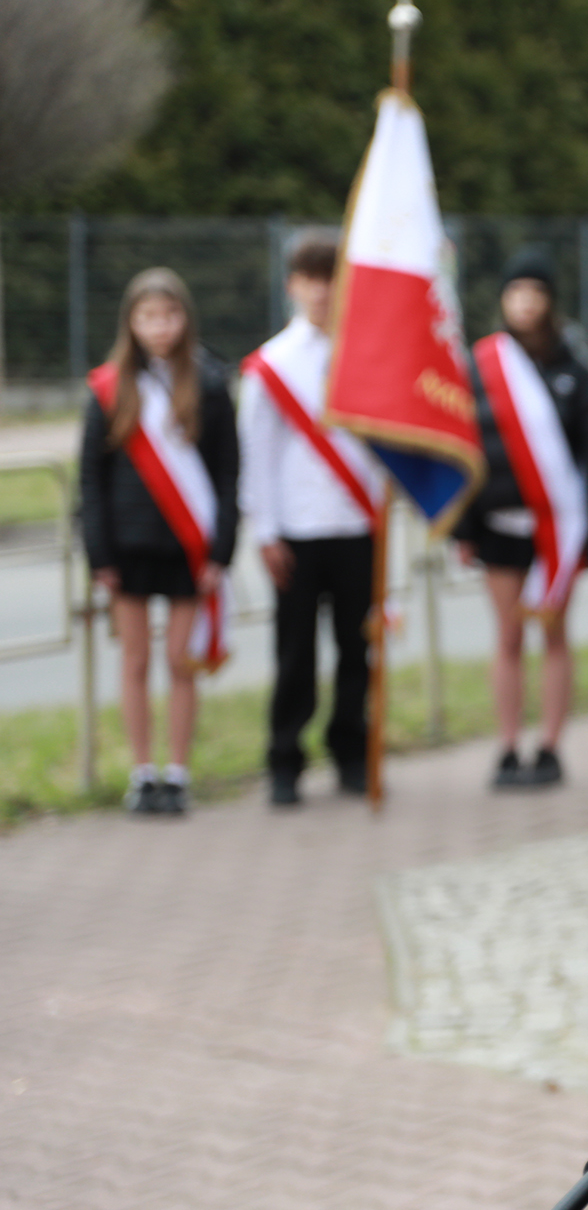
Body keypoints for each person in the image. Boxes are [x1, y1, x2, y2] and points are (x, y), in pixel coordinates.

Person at [78, 268, 240, 816]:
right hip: (127, 548)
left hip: (187, 548)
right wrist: (99, 553)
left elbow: (228, 474)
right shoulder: (108, 388)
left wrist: (221, 551)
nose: (160, 327)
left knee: (179, 660)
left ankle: (178, 773)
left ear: (185, 319)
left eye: (169, 315)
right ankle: (142, 773)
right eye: (148, 317)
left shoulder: (210, 384)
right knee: (136, 659)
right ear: (130, 323)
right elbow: (90, 479)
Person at [453, 248, 588, 789]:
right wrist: (464, 527)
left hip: (558, 531)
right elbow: (464, 449)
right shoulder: (482, 367)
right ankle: (507, 746)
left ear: (550, 300)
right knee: (507, 636)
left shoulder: (575, 370)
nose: (524, 302)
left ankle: (549, 746)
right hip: (499, 525)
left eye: (535, 292)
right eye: (515, 291)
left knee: (554, 634)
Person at [238, 235, 386, 808]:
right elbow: (257, 454)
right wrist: (265, 531)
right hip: (296, 531)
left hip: (356, 526)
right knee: (295, 653)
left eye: (331, 278)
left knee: (356, 650)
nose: (321, 291)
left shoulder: (366, 352)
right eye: (310, 279)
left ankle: (351, 753)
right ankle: (285, 760)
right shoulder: (271, 364)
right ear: (292, 287)